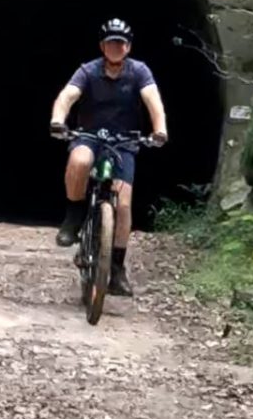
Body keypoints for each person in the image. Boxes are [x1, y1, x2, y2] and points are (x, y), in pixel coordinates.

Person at [48, 18, 168, 296]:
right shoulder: (88, 71)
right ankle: (74, 216)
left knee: (123, 205)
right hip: (89, 136)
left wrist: (160, 130)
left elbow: (154, 101)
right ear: (103, 46)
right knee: (79, 161)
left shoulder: (139, 72)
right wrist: (58, 120)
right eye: (111, 42)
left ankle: (115, 267)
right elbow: (67, 96)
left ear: (128, 47)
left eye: (121, 43)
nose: (116, 47)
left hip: (124, 141)